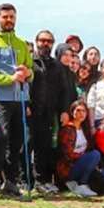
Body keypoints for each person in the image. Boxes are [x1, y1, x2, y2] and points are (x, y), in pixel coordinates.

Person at [0, 3, 33, 196]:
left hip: (20, 99)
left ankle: (11, 181)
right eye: (5, 17)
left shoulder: (21, 43)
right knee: (1, 139)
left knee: (17, 142)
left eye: (12, 17)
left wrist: (28, 73)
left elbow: (31, 70)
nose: (8, 20)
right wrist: (9, 79)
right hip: (1, 99)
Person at [29, 29, 69, 195]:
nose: (45, 44)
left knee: (43, 149)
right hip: (30, 112)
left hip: (48, 114)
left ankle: (41, 181)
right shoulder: (29, 62)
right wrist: (26, 105)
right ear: (37, 42)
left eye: (49, 41)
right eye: (42, 40)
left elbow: (64, 91)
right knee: (25, 147)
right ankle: (23, 181)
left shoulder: (57, 66)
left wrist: (64, 111)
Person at [55, 99, 102, 197]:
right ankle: (81, 184)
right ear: (72, 112)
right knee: (95, 154)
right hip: (69, 168)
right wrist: (84, 157)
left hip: (82, 163)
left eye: (84, 111)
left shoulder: (85, 129)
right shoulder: (68, 129)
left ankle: (80, 185)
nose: (81, 114)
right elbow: (67, 154)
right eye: (78, 110)